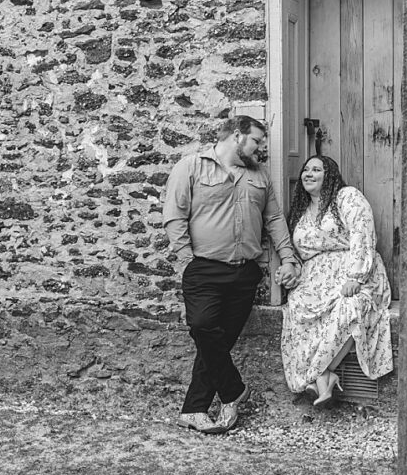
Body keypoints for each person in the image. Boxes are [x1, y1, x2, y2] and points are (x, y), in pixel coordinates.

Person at [163, 115, 301, 434]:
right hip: (204, 269)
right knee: (202, 327)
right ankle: (233, 391)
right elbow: (174, 216)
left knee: (219, 344)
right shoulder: (191, 167)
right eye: (256, 142)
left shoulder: (260, 176)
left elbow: (275, 220)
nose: (260, 150)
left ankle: (194, 409)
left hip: (244, 275)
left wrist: (288, 259)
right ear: (237, 136)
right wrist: (188, 263)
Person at [277, 155, 393, 406]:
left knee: (350, 307)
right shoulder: (301, 210)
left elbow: (362, 233)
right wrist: (291, 270)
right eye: (306, 170)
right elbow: (297, 252)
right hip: (315, 282)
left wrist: (356, 276)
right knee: (295, 308)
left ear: (329, 175)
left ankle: (317, 375)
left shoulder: (346, 197)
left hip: (353, 274)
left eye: (316, 170)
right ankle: (324, 378)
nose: (308, 173)